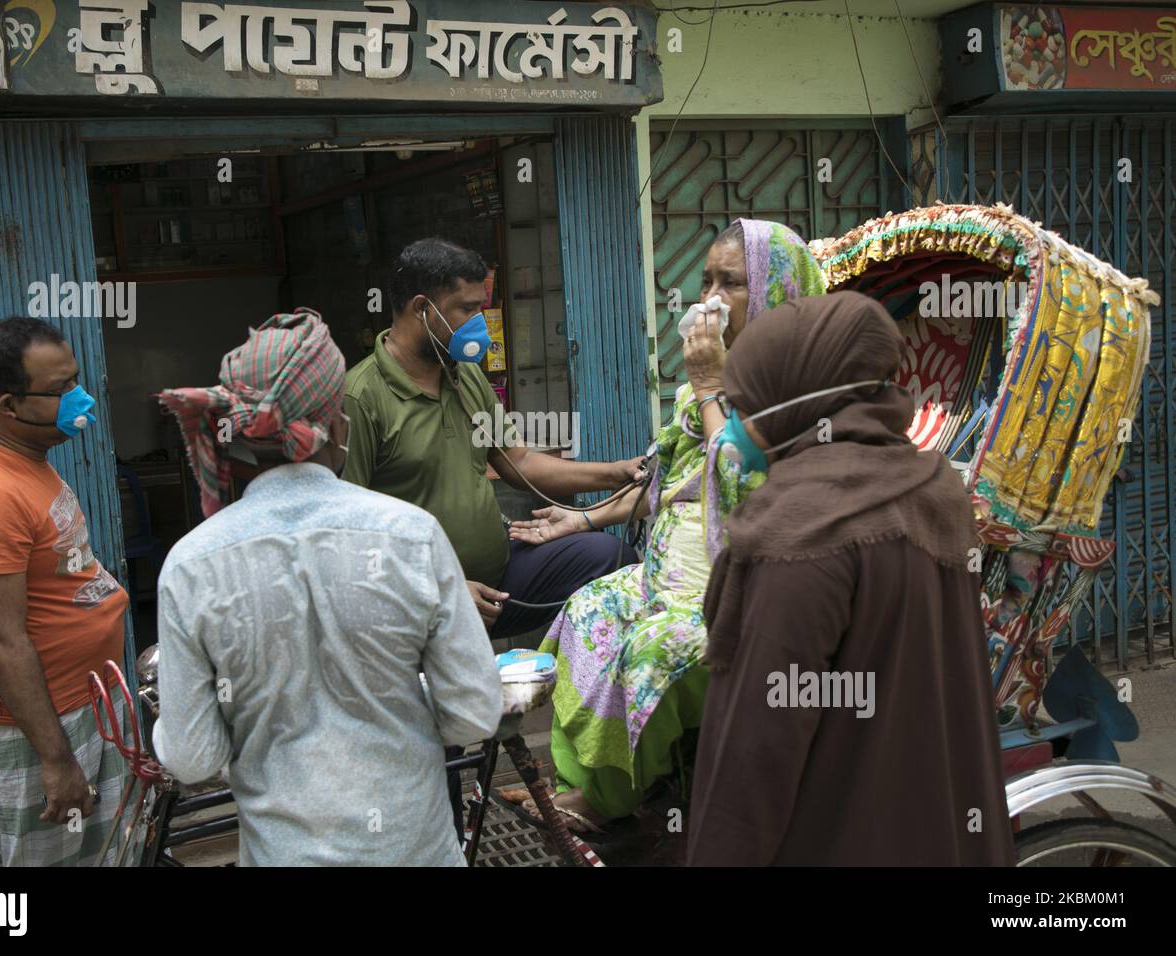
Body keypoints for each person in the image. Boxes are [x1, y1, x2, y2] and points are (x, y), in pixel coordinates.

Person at [503, 219, 827, 832]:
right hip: (676, 580)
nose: (709, 298)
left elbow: (743, 494)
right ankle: (582, 781)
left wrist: (710, 388)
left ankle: (610, 800)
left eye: (730, 282)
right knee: (587, 609)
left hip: (752, 600)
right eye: (705, 279)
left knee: (652, 656)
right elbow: (671, 491)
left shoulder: (804, 399)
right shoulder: (698, 396)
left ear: (775, 296)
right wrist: (582, 519)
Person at [153, 309, 501, 867]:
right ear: (336, 426)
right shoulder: (411, 535)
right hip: (415, 848)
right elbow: (473, 715)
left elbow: (193, 759)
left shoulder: (191, 565)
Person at [687, 291, 1015, 866]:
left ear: (796, 398)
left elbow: (753, 753)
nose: (734, 422)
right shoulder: (934, 486)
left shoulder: (799, 531)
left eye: (743, 403)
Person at [343, 238, 644, 640]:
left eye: (480, 309)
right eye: (467, 309)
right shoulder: (360, 397)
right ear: (421, 308)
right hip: (414, 602)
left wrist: (616, 473)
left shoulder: (464, 375)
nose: (479, 324)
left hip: (497, 581)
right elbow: (343, 535)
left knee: (609, 557)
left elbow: (517, 462)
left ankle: (588, 682)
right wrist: (438, 591)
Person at [0, 317, 129, 866]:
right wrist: (56, 760)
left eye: (75, 380)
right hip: (45, 727)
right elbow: (4, 638)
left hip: (82, 700)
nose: (80, 396)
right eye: (61, 389)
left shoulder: (26, 463)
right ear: (9, 407)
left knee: (107, 855)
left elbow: (23, 585)